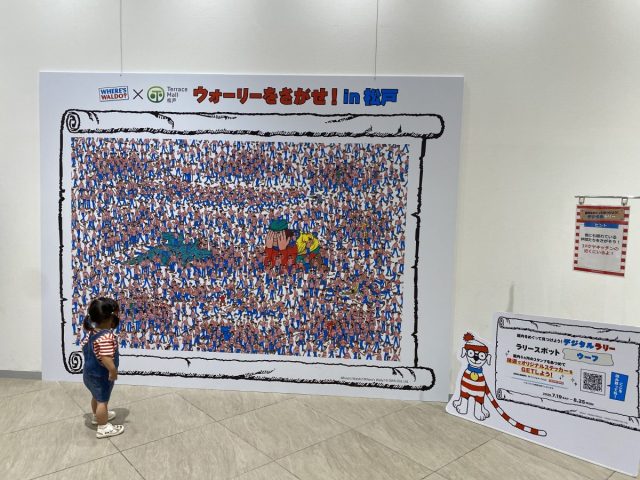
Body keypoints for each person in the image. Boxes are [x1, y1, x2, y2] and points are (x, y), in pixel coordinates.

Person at [81, 297, 125, 438]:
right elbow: (106, 358)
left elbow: (85, 347)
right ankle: (103, 427)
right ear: (110, 319)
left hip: (89, 374)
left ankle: (97, 416)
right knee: (102, 401)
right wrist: (113, 371)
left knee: (96, 396)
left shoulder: (92, 332)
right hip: (101, 376)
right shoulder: (106, 338)